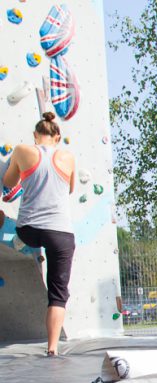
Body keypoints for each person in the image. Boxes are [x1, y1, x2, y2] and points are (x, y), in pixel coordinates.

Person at [1, 112, 76, 356]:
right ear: (58, 137)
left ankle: (22, 246)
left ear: (36, 135)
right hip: (60, 233)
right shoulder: (68, 157)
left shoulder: (23, 150)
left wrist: (22, 171)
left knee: (22, 237)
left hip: (29, 230)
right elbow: (70, 189)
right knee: (57, 294)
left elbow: (9, 181)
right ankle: (52, 348)